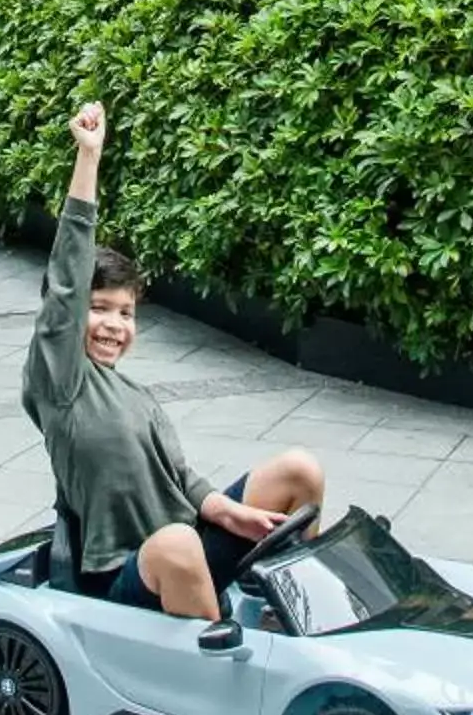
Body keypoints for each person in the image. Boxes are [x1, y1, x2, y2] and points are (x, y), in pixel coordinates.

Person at [21, 100, 324, 619]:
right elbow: (68, 277)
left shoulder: (134, 396)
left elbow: (181, 481)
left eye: (127, 313)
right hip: (129, 570)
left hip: (187, 542)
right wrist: (88, 158)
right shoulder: (60, 382)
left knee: (300, 470)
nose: (116, 325)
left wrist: (230, 513)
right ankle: (221, 665)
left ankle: (296, 608)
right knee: (177, 544)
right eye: (100, 310)